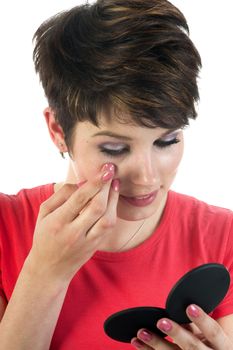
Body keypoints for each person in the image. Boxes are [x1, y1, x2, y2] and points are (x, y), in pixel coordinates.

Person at [0, 0, 232, 349]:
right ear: (58, 130)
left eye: (167, 140)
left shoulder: (222, 236)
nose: (148, 177)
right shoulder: (6, 228)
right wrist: (46, 273)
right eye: (114, 149)